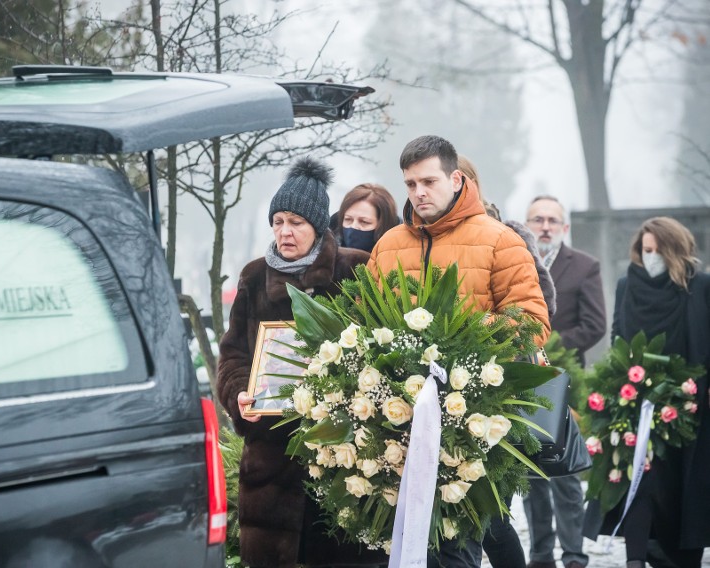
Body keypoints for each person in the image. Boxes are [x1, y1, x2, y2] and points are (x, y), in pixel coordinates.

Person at [367, 135, 551, 567]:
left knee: (457, 546)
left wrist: (460, 336)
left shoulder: (499, 240)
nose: (419, 193)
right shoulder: (389, 244)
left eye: (428, 181)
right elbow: (365, 320)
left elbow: (532, 323)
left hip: (478, 422)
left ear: (455, 178)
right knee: (416, 547)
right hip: (400, 422)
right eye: (410, 184)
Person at [216, 157, 384, 568]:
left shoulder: (353, 270)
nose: (285, 231)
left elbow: (380, 346)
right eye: (278, 221)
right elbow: (233, 352)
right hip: (271, 458)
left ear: (317, 226)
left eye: (296, 222)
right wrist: (239, 392)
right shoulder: (254, 277)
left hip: (343, 454)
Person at [588, 216, 710, 568]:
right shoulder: (628, 285)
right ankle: (637, 557)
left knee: (684, 483)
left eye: (658, 250)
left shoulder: (698, 286)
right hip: (635, 399)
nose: (651, 256)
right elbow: (617, 335)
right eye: (646, 250)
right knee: (640, 476)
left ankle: (680, 554)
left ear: (676, 250)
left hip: (690, 401)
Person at [456, 156, 555, 568]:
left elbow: (537, 312)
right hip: (444, 395)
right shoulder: (418, 238)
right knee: (457, 519)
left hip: (498, 395)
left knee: (491, 518)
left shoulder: (507, 235)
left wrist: (474, 323)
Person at [522, 195, 606, 568]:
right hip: (524, 380)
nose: (544, 226)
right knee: (530, 468)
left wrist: (550, 344)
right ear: (526, 224)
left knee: (566, 471)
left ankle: (574, 555)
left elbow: (594, 324)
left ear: (564, 228)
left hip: (566, 380)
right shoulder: (517, 260)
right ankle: (541, 553)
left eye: (552, 220)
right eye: (537, 219)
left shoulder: (584, 266)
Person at [331, 182, 399, 252]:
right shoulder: (323, 254)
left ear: (383, 225)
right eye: (348, 219)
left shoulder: (401, 259)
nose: (354, 226)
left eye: (364, 222)